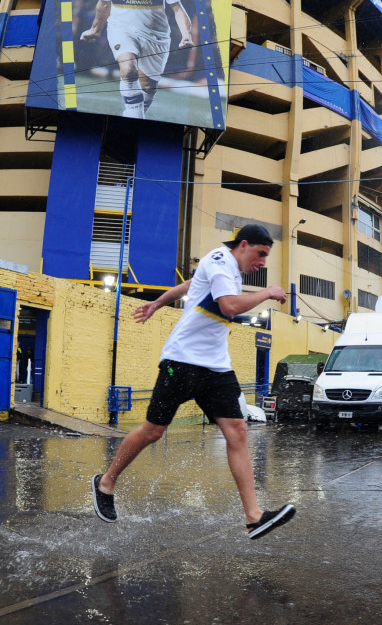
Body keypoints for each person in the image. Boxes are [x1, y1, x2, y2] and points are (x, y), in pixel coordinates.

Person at [90, 224, 296, 540]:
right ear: (243, 245)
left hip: (215, 367)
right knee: (152, 431)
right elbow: (228, 306)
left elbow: (191, 282)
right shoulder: (219, 261)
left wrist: (159, 302)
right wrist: (268, 293)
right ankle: (106, 482)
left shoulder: (229, 271)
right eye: (261, 254)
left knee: (238, 431)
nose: (263, 263)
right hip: (182, 362)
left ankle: (254, 516)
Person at [80, 0, 194, 119]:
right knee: (129, 68)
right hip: (121, 29)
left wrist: (186, 36)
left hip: (157, 37)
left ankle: (132, 113)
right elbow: (103, 5)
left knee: (148, 86)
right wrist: (95, 30)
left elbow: (178, 9)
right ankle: (135, 118)